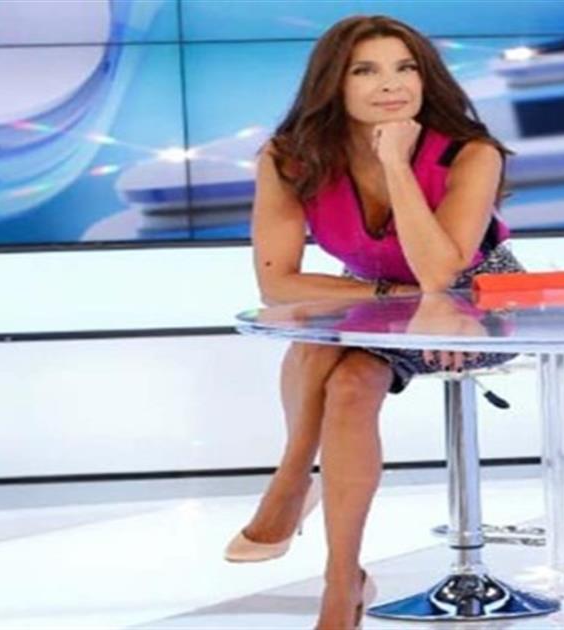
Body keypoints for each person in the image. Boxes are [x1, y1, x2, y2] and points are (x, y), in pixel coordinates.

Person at [222, 14, 523, 629]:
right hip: (379, 292)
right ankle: (334, 558)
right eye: (366, 71)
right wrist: (390, 294)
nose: (391, 84)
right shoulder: (289, 158)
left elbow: (440, 274)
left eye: (405, 68)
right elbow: (278, 283)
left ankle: (312, 534)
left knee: (352, 380)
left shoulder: (471, 153)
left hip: (476, 300)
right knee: (314, 339)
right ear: (333, 84)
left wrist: (396, 164)